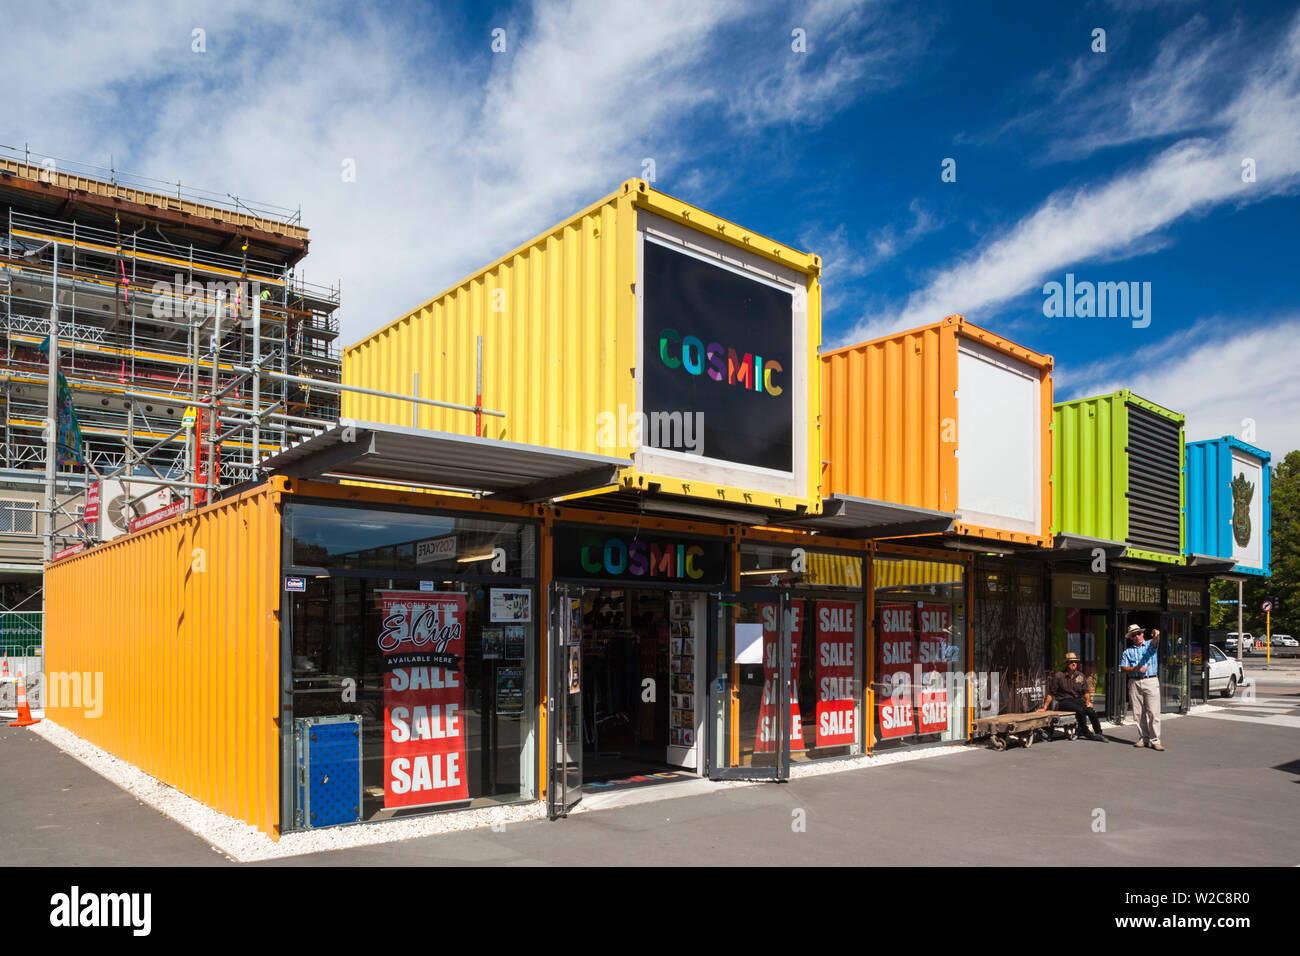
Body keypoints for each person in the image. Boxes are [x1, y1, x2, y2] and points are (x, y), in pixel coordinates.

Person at [1039, 653, 1105, 741]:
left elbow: (1086, 692)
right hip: (1064, 702)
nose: (1074, 664)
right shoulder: (1059, 676)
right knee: (1080, 710)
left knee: (1091, 711)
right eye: (1071, 662)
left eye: (1075, 662)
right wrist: (1044, 707)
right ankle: (1086, 732)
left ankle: (1099, 733)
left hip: (1077, 700)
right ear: (1066, 663)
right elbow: (1051, 693)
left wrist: (1088, 702)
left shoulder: (1081, 676)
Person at [1120, 623, 1163, 750]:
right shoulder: (1127, 651)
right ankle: (1143, 738)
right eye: (1134, 635)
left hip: (1151, 680)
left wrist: (1157, 634)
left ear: (1143, 634)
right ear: (1131, 638)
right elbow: (1123, 668)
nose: (1137, 636)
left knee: (1153, 712)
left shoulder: (1150, 645)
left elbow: (1156, 640)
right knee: (1138, 713)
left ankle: (1155, 740)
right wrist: (1137, 668)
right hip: (1134, 682)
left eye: (1138, 634)